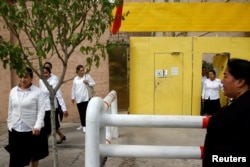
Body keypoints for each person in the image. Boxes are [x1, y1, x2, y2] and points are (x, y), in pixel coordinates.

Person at [203, 58, 250, 167]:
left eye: (225, 76)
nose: (222, 81)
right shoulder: (238, 106)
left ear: (240, 82)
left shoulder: (238, 112)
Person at [5, 67, 46, 167]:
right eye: (21, 76)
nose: (23, 79)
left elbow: (41, 110)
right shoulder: (13, 91)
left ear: (31, 78)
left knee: (33, 155)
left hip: (31, 129)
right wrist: (9, 123)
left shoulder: (38, 92)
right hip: (15, 128)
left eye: (26, 77)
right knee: (16, 158)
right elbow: (10, 109)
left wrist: (37, 126)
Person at [39, 66, 68, 144]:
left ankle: (44, 141)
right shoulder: (41, 81)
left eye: (46, 73)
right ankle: (61, 136)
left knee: (47, 126)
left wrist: (64, 108)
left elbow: (59, 95)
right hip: (43, 106)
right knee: (53, 124)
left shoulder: (53, 81)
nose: (45, 74)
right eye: (43, 73)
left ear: (49, 73)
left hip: (52, 107)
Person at [71, 65, 95, 133]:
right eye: (81, 70)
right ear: (77, 71)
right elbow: (73, 88)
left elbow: (93, 83)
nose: (82, 72)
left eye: (83, 70)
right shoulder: (75, 79)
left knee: (85, 112)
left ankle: (85, 126)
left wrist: (88, 82)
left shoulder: (87, 76)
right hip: (78, 98)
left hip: (86, 97)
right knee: (80, 112)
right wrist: (72, 97)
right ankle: (82, 124)